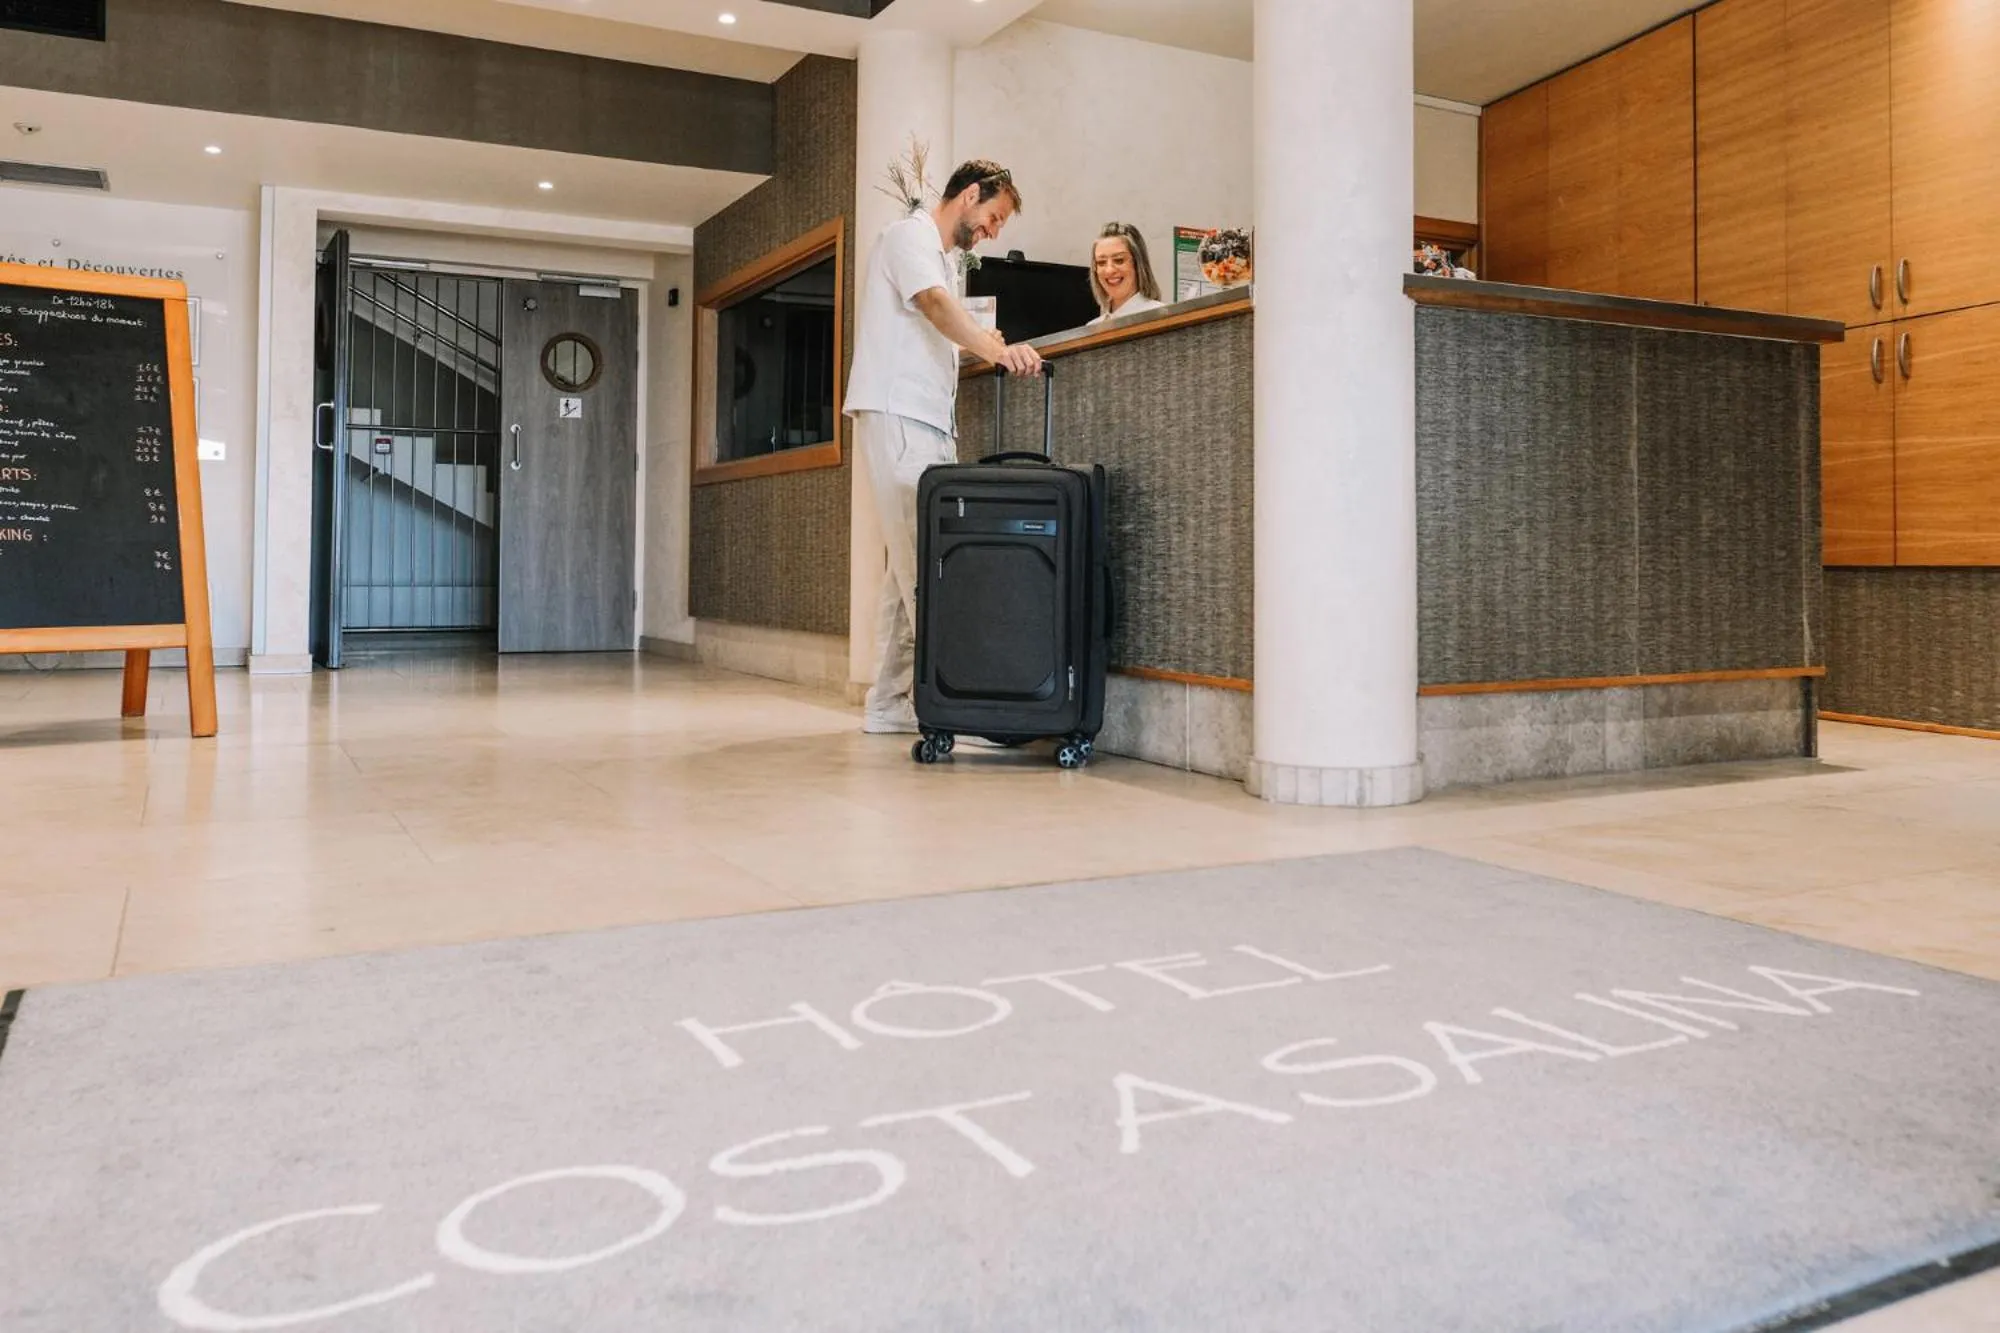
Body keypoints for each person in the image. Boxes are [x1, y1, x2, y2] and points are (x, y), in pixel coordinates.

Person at [843, 159, 1044, 735]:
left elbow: (932, 326)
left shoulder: (940, 257)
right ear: (971, 195)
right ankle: (951, 701)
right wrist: (993, 348)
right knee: (927, 568)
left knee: (904, 570)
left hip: (925, 421)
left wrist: (982, 341)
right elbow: (933, 305)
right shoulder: (907, 236)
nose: (994, 231)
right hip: (899, 414)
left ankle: (888, 704)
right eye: (994, 216)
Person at [1087, 222, 1167, 325]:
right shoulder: (1092, 327)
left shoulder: (1161, 316)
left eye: (1119, 260)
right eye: (1101, 262)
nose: (1109, 270)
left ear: (1138, 264)